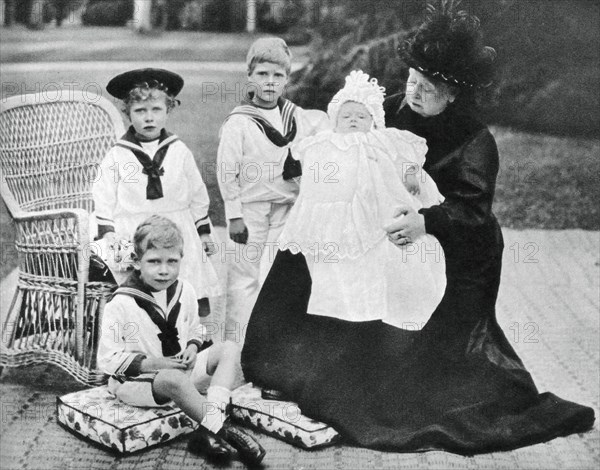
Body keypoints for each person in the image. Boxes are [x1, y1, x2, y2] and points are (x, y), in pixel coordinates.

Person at [242, 3, 594, 454]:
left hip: (456, 244)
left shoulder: (475, 139)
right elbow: (348, 138)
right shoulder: (393, 109)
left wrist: (426, 220)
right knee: (308, 250)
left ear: (452, 94)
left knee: (423, 367)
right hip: (390, 229)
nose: (414, 93)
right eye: (411, 81)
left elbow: (473, 211)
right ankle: (282, 360)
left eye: (427, 89)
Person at [278, 70, 445, 328]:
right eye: (346, 116)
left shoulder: (381, 138)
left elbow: (405, 156)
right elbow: (302, 162)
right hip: (336, 210)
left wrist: (411, 173)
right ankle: (340, 310)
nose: (353, 120)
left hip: (378, 206)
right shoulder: (326, 142)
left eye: (361, 116)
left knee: (383, 258)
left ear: (373, 120)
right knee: (337, 265)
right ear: (335, 120)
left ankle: (385, 307)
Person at [97, 215, 265, 465]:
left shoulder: (185, 289)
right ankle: (225, 430)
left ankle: (207, 430)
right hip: (140, 381)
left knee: (229, 348)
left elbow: (196, 329)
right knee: (173, 378)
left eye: (172, 261)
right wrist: (155, 364)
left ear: (180, 260)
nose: (164, 270)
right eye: (154, 261)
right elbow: (107, 360)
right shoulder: (121, 302)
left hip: (179, 369)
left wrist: (193, 347)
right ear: (137, 262)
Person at [217, 37, 329, 336]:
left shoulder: (297, 118)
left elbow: (317, 150)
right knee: (244, 277)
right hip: (250, 210)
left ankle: (271, 341)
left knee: (279, 274)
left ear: (287, 79)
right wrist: (234, 215)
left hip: (287, 208)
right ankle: (236, 344)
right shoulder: (239, 122)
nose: (270, 82)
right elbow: (227, 171)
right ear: (250, 76)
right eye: (262, 74)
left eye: (278, 75)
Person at [93, 68, 220, 318]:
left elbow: (197, 194)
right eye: (140, 111)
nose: (148, 118)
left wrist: (203, 233)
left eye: (156, 110)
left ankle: (195, 341)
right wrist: (111, 239)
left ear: (168, 110)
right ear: (128, 113)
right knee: (142, 298)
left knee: (190, 289)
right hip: (135, 230)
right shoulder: (118, 154)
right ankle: (147, 340)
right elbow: (103, 197)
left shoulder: (178, 150)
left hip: (178, 227)